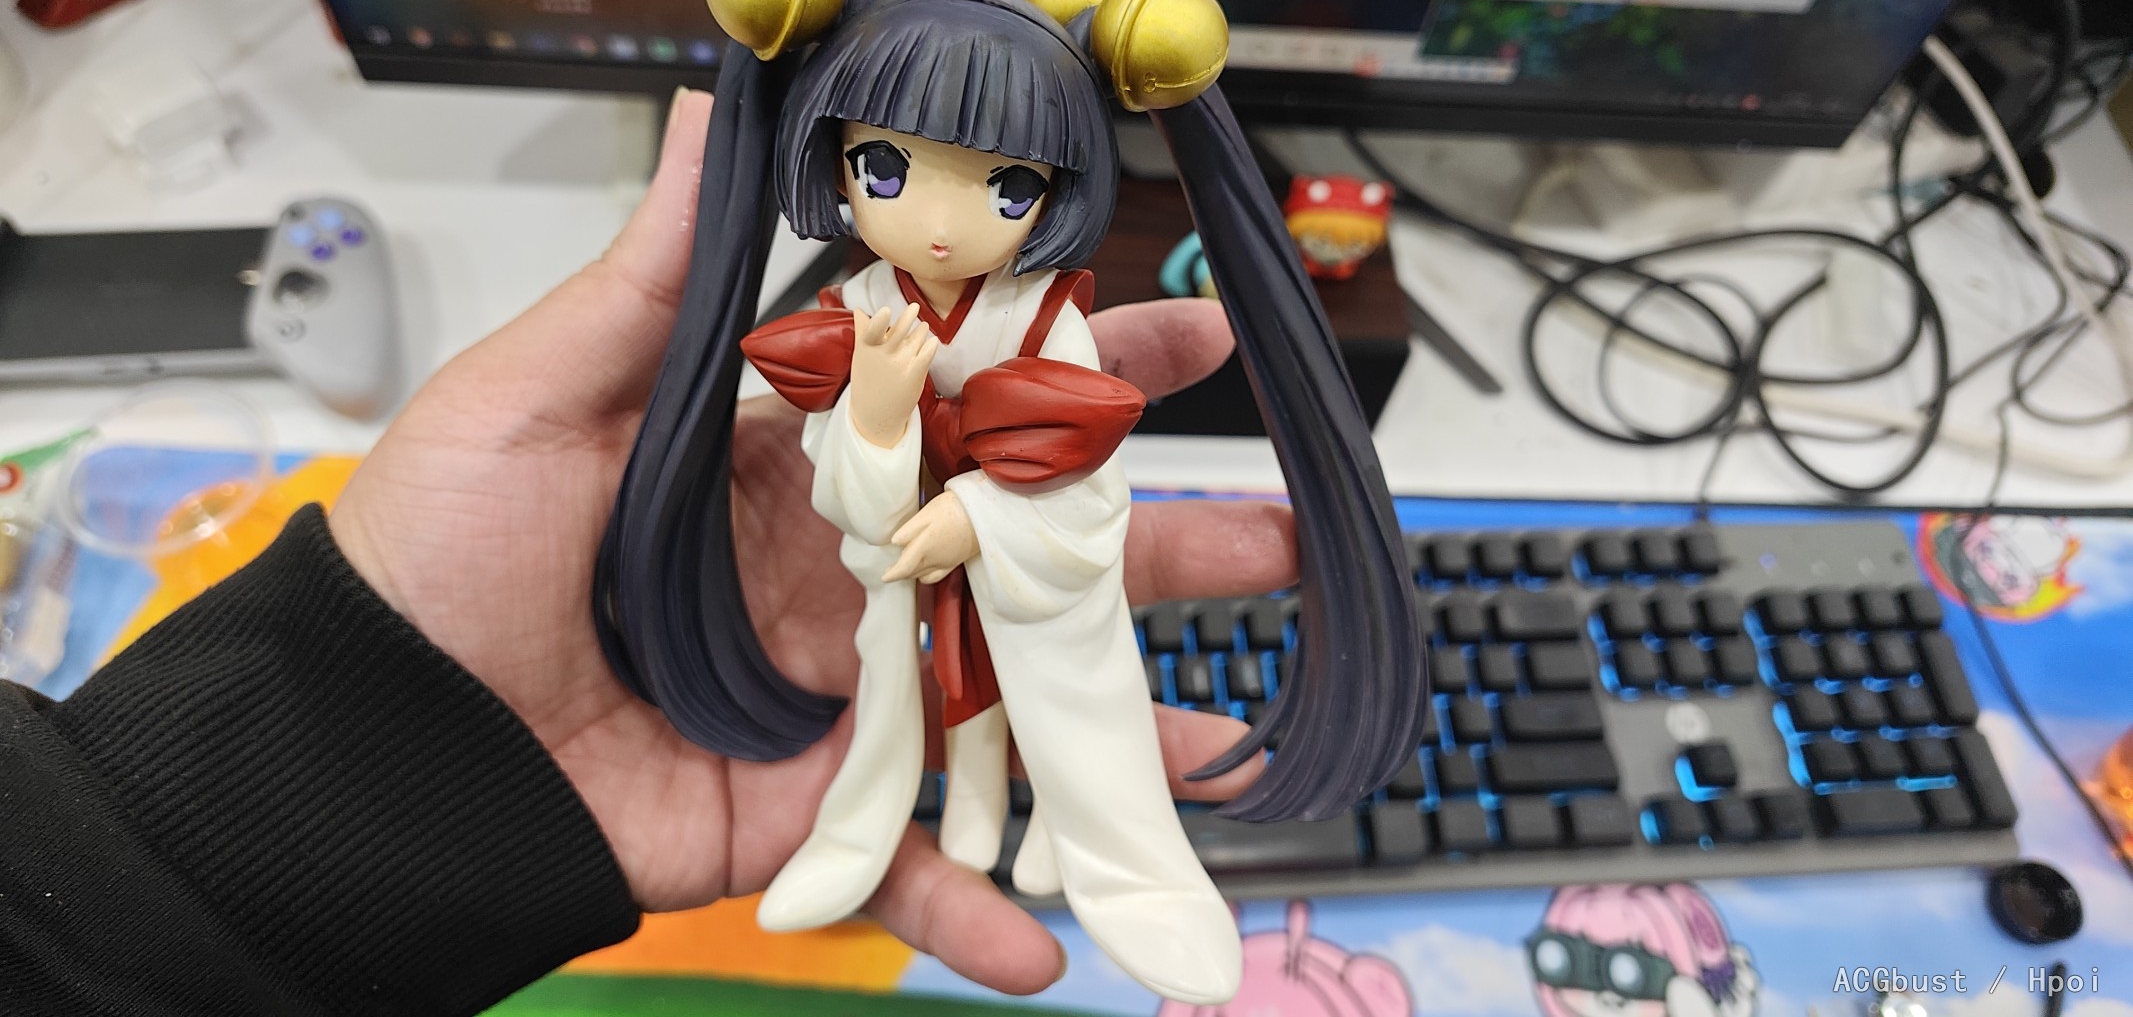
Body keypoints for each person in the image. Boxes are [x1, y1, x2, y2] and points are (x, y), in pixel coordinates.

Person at [0, 89, 1300, 1015]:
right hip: (871, 577)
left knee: (1061, 690)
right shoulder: (859, 310)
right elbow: (840, 476)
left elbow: (1074, 468)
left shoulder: (1047, 321)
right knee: (888, 710)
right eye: (888, 172)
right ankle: (875, 834)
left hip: (997, 561)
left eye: (1007, 190)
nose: (947, 227)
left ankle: (1120, 859)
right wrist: (880, 420)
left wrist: (988, 513)